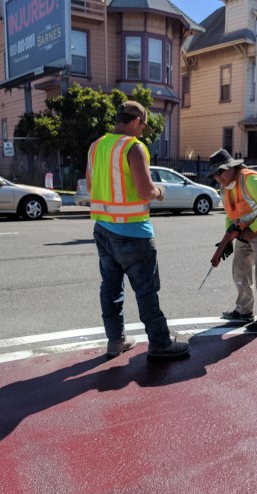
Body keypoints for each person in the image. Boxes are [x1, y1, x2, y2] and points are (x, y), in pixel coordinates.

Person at [86, 101, 189, 359]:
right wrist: (160, 192)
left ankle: (116, 340)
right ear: (134, 121)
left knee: (110, 287)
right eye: (143, 125)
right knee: (146, 290)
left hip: (103, 229)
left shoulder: (96, 146)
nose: (143, 131)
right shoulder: (133, 147)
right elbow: (145, 190)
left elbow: (90, 185)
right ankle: (160, 343)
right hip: (133, 233)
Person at [206, 149, 257, 332]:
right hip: (245, 228)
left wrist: (253, 230)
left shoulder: (250, 179)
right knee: (240, 268)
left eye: (220, 172)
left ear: (232, 167)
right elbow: (231, 215)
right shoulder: (225, 188)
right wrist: (228, 238)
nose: (218, 177)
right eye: (215, 174)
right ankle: (244, 310)